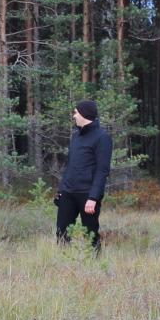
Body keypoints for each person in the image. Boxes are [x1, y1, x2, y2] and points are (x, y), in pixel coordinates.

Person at [56, 100, 113, 249]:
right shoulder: (75, 137)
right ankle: (61, 265)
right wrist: (61, 190)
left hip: (87, 195)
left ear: (84, 114)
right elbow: (70, 166)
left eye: (75, 112)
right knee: (61, 232)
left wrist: (93, 198)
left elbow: (102, 171)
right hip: (68, 192)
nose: (73, 116)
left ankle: (94, 265)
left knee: (90, 234)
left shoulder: (102, 137)